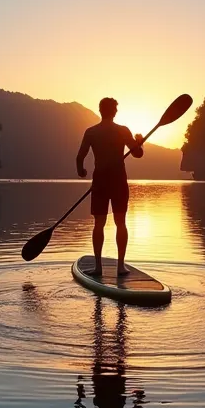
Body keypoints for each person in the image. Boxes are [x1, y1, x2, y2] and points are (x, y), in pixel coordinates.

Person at [76, 97, 144, 276]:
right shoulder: (122, 131)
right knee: (120, 223)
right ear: (114, 111)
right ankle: (120, 266)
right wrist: (139, 141)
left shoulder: (91, 132)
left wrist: (81, 171)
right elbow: (138, 154)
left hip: (100, 181)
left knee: (99, 224)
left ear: (100, 110)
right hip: (118, 181)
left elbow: (79, 157)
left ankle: (98, 267)